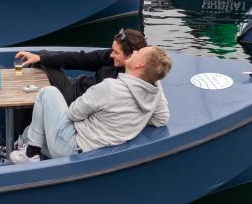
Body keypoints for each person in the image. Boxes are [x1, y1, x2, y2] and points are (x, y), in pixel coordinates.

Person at [10, 46, 171, 162]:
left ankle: (30, 155)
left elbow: (73, 113)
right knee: (28, 132)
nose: (135, 51)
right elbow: (161, 119)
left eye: (139, 52)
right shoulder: (153, 92)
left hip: (72, 147)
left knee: (47, 92)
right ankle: (28, 146)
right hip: (92, 148)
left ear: (139, 65)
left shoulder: (110, 87)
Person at [14, 28, 148, 106]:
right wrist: (41, 57)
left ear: (132, 55)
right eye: (112, 50)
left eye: (116, 52)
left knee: (42, 63)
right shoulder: (109, 57)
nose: (111, 54)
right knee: (42, 56)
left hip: (77, 100)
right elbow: (78, 59)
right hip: (75, 86)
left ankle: (21, 136)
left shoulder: (131, 82)